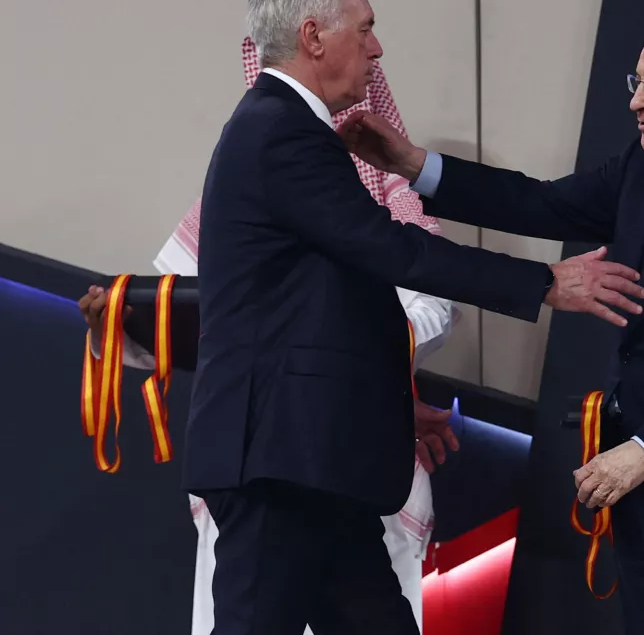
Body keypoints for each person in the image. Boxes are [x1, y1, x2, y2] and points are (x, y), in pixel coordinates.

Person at [177, 0, 643, 635]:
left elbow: (328, 300)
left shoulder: (281, 128)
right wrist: (544, 282)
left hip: (313, 454)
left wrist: (392, 403)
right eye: (364, 29)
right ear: (313, 36)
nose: (376, 47)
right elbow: (392, 249)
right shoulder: (280, 131)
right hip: (280, 458)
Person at [344, 12, 644, 635]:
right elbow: (540, 203)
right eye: (636, 81)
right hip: (641, 490)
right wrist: (413, 164)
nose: (637, 102)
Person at [78, 38, 456, 634]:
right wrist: (117, 325)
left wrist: (378, 385)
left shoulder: (389, 198)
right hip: (264, 456)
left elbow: (430, 311)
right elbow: (202, 320)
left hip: (359, 452)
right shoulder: (242, 187)